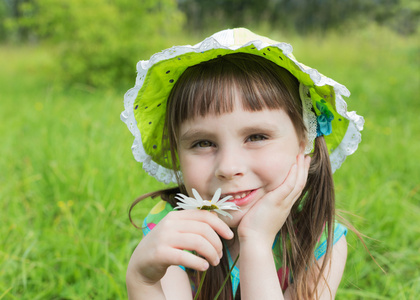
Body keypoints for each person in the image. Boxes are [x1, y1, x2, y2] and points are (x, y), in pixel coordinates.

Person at [121, 28, 364, 299]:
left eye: (256, 137)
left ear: (304, 141)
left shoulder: (319, 241)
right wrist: (142, 282)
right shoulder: (174, 229)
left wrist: (256, 243)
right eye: (202, 143)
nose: (228, 167)